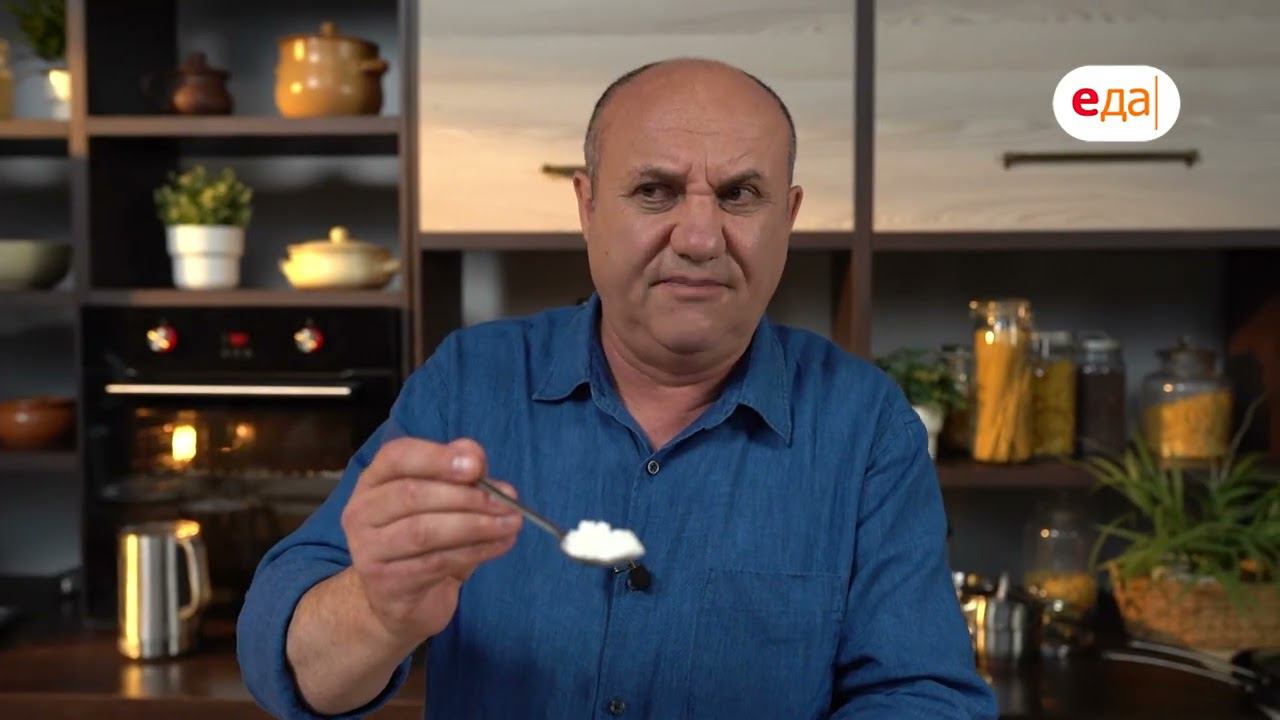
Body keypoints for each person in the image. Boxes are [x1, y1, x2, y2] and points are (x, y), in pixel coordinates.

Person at [237, 57, 997, 719]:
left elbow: (922, 695)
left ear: (788, 218)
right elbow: (293, 668)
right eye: (655, 191)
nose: (699, 238)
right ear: (588, 205)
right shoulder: (468, 384)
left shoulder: (866, 426)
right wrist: (378, 610)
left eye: (739, 195)